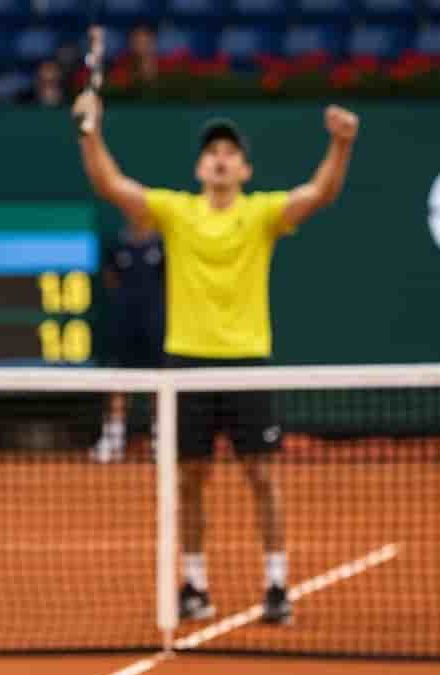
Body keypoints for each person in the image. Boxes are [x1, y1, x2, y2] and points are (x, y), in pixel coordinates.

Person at [73, 89, 359, 625]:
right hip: (187, 366)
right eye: (212, 153)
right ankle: (195, 584)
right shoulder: (175, 213)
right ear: (200, 168)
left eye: (230, 152)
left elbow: (320, 192)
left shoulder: (262, 214)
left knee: (262, 477)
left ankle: (276, 583)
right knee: (189, 480)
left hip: (246, 361)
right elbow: (110, 184)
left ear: (244, 169)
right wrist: (89, 132)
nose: (220, 159)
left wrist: (341, 144)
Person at [90, 219, 165, 463]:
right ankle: (113, 438)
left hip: (155, 323)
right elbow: (111, 279)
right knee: (119, 380)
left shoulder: (163, 245)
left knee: (161, 381)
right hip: (124, 322)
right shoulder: (117, 245)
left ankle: (160, 439)